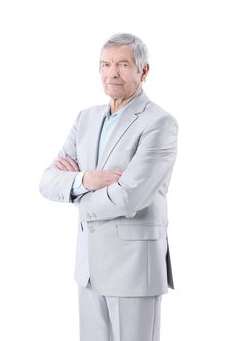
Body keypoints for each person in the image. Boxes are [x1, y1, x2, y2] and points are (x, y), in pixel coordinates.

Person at [39, 33, 178, 341]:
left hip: (133, 269)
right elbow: (48, 181)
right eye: (106, 64)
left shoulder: (159, 123)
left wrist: (75, 196)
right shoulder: (85, 118)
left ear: (143, 71)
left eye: (123, 64)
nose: (112, 72)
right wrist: (86, 179)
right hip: (88, 270)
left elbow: (129, 197)